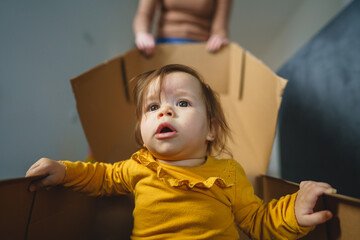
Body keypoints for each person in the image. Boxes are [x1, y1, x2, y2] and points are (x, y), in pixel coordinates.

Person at [26, 64, 336, 239]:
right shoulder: (140, 167)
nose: (165, 112)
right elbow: (101, 176)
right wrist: (65, 170)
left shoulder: (228, 174)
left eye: (182, 103)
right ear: (142, 135)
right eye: (152, 107)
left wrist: (293, 212)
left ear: (210, 130)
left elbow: (256, 220)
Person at [133, 0, 232, 56]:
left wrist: (218, 38)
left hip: (201, 49)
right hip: (163, 46)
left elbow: (220, 28)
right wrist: (142, 33)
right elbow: (144, 15)